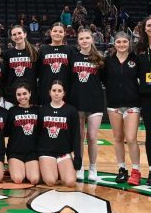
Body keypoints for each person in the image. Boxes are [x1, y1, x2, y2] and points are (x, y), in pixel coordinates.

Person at [103, 32, 141, 185]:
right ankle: (121, 169)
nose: (121, 44)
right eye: (118, 42)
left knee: (131, 139)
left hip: (132, 105)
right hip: (113, 105)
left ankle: (136, 171)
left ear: (129, 43)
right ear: (114, 44)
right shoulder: (108, 61)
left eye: (124, 41)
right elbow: (103, 79)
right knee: (118, 138)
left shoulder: (136, 60)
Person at [69, 29, 104, 181]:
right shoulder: (73, 57)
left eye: (87, 38)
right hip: (76, 101)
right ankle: (79, 166)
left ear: (92, 39)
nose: (84, 40)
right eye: (81, 38)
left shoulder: (100, 59)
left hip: (95, 102)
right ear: (78, 41)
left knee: (92, 137)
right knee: (79, 137)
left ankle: (93, 167)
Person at [38, 80, 81, 187]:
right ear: (49, 92)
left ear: (64, 93)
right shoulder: (42, 110)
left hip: (64, 153)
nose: (56, 93)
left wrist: (77, 157)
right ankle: (49, 169)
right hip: (46, 152)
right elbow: (37, 134)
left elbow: (76, 135)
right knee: (50, 181)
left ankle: (59, 169)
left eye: (59, 91)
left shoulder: (71, 110)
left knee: (70, 182)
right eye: (54, 90)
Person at [7, 83, 40, 184]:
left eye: (24, 93)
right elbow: (6, 131)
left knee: (34, 179)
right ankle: (15, 168)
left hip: (32, 153)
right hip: (15, 152)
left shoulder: (38, 110)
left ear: (30, 93)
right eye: (19, 94)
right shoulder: (11, 111)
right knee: (18, 179)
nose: (22, 97)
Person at [3, 25, 38, 108]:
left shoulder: (34, 52)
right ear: (11, 37)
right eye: (14, 34)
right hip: (12, 95)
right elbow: (6, 75)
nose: (17, 36)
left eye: (19, 33)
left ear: (25, 34)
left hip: (30, 95)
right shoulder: (7, 54)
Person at [38, 22, 72, 105]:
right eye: (55, 31)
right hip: (45, 90)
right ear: (50, 32)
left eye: (60, 32)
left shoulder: (70, 50)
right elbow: (38, 70)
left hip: (64, 90)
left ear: (65, 33)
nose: (57, 33)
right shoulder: (42, 49)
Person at [136, 15, 151, 186]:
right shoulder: (139, 48)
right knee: (150, 134)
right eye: (148, 25)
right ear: (144, 28)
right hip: (147, 97)